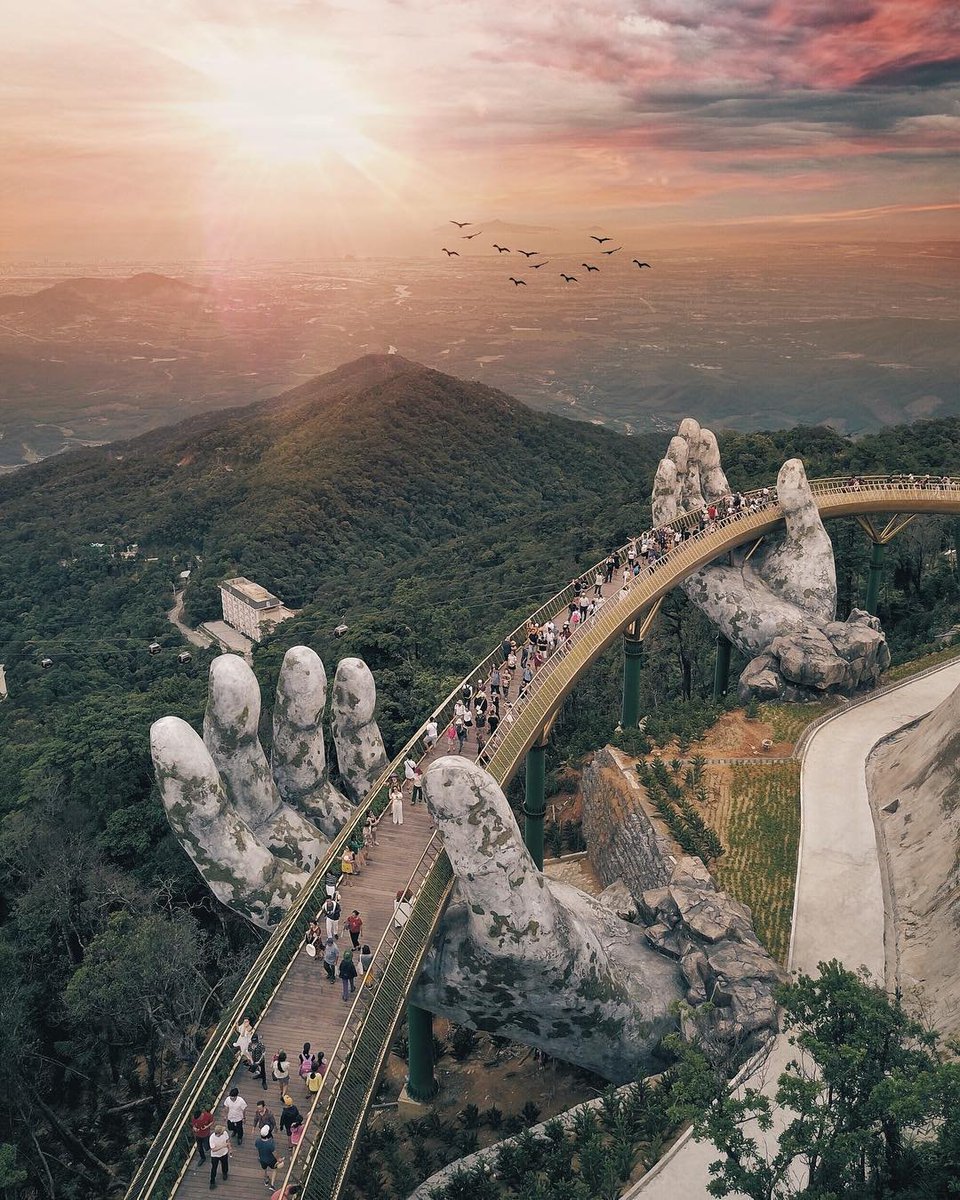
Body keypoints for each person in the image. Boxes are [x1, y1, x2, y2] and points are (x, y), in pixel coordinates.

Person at [255, 1123, 284, 1190]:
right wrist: (279, 1159)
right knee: (274, 1169)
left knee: (264, 1169)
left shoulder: (257, 1141)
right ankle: (272, 1185)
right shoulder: (270, 1142)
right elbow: (274, 1153)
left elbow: (258, 1149)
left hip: (262, 1159)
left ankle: (266, 1180)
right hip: (271, 1160)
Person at [208, 1123, 230, 1188]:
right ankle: (212, 1181)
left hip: (224, 1153)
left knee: (225, 1164)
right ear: (219, 1133)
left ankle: (225, 1173)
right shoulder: (212, 1138)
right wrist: (223, 1146)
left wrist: (230, 1148)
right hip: (215, 1156)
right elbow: (213, 1149)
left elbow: (227, 1140)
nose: (224, 1131)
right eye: (222, 1131)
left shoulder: (225, 1133)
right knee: (214, 1168)